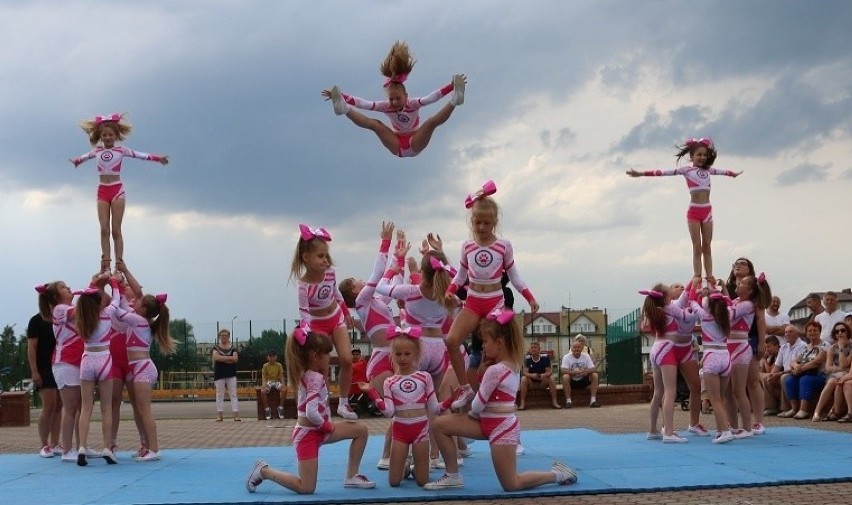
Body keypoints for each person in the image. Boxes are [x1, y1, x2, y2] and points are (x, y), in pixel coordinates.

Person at [424, 308, 577, 491]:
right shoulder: (510, 365)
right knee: (439, 425)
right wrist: (478, 379)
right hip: (487, 422)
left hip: (500, 427)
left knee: (511, 484)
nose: (483, 346)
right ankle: (452, 476)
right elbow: (488, 398)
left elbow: (478, 405)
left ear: (499, 342)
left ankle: (558, 474)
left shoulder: (495, 370)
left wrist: (462, 404)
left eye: (486, 341)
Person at [443, 180, 539, 410]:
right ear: (472, 221)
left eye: (487, 223)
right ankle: (466, 390)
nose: (482, 227)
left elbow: (514, 276)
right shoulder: (467, 246)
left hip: (495, 301)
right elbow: (460, 277)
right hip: (474, 301)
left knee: (497, 350)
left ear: (495, 222)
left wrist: (530, 297)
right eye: (478, 222)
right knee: (451, 340)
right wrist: (449, 291)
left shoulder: (503, 246)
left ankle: (504, 398)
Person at [245, 330, 375, 494]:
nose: (329, 358)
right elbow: (311, 412)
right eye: (327, 354)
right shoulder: (314, 378)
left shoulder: (307, 374)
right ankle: (264, 471)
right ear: (316, 356)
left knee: (361, 430)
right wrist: (326, 426)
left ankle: (351, 476)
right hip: (309, 435)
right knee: (306, 487)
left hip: (319, 431)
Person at [626, 137, 741, 287]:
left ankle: (710, 275)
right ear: (691, 156)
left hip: (707, 211)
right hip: (693, 211)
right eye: (699, 154)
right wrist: (641, 173)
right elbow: (663, 172)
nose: (702, 157)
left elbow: (723, 171)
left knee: (707, 245)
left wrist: (733, 174)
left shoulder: (708, 170)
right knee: (697, 246)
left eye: (704, 155)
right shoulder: (686, 170)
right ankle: (697, 274)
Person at [323, 41, 466, 158]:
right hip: (396, 144)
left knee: (431, 122)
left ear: (406, 97)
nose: (394, 102)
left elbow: (431, 98)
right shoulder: (386, 106)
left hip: (415, 141)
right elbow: (363, 103)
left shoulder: (413, 104)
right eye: (391, 99)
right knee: (375, 124)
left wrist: (451, 87)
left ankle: (455, 100)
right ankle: (344, 109)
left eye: (398, 98)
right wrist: (341, 97)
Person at [69, 113, 169, 272]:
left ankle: (119, 265)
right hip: (102, 190)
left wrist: (158, 158)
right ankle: (106, 264)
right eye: (104, 135)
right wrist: (76, 161)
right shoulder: (97, 151)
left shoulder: (121, 150)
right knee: (103, 229)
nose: (107, 137)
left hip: (117, 190)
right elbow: (84, 157)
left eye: (110, 135)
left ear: (116, 136)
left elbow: (141, 155)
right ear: (101, 136)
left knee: (116, 230)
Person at [339, 222, 399, 468]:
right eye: (357, 280)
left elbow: (386, 285)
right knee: (399, 411)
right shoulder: (363, 302)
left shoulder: (375, 301)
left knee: (405, 410)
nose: (362, 280)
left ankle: (389, 456)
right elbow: (376, 277)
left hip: (394, 355)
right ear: (355, 291)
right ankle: (386, 456)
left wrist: (399, 262)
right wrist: (385, 242)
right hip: (382, 360)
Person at [360, 326, 452, 487]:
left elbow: (435, 409)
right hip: (400, 432)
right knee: (394, 482)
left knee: (422, 481)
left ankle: (416, 468)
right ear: (392, 355)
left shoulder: (424, 377)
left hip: (420, 432)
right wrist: (372, 393)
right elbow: (389, 412)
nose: (402, 358)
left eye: (407, 354)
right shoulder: (391, 381)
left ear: (416, 354)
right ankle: (405, 468)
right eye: (398, 354)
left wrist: (452, 400)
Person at [290, 224, 358, 420]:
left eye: (326, 256)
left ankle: (344, 403)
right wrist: (308, 336)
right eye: (320, 256)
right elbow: (304, 313)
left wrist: (345, 313)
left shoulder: (330, 273)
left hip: (335, 319)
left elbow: (336, 293)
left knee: (346, 359)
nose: (325, 260)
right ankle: (323, 406)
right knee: (322, 369)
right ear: (306, 258)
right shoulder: (303, 286)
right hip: (317, 325)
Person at [109, 275, 174, 461]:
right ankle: (149, 447)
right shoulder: (140, 319)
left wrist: (115, 286)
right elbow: (125, 304)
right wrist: (121, 287)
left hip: (143, 368)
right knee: (142, 409)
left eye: (138, 302)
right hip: (140, 367)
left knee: (144, 411)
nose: (134, 301)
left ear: (143, 308)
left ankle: (154, 449)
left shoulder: (138, 321)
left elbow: (116, 313)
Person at [639, 285, 699, 443]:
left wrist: (690, 285)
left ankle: (653, 430)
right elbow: (688, 317)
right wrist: (696, 306)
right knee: (670, 391)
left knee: (658, 392)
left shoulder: (656, 310)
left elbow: (681, 299)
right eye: (669, 289)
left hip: (656, 349)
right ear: (665, 296)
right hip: (667, 349)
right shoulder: (669, 308)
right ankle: (669, 432)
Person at [36, 280, 84, 462]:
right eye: (64, 287)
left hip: (78, 362)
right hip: (65, 363)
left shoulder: (69, 308)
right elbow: (83, 310)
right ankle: (67, 450)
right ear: (56, 297)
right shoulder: (60, 309)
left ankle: (81, 446)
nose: (70, 288)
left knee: (81, 407)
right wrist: (91, 289)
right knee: (70, 408)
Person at [74, 275, 118, 465]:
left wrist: (93, 283)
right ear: (99, 301)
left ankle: (82, 446)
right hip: (104, 360)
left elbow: (85, 298)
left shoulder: (81, 317)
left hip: (87, 359)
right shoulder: (107, 314)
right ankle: (107, 447)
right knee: (106, 407)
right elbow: (116, 298)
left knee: (86, 407)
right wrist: (113, 282)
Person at [724, 258, 770, 435]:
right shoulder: (730, 289)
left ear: (749, 269)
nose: (738, 265)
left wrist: (761, 341)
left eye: (743, 263)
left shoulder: (754, 293)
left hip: (748, 339)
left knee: (751, 381)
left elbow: (760, 318)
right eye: (735, 263)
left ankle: (758, 421)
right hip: (729, 341)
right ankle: (732, 421)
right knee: (731, 386)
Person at [688, 288, 734, 444]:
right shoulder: (727, 315)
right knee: (720, 398)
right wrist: (714, 291)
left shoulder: (704, 317)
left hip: (711, 356)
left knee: (714, 399)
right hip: (726, 356)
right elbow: (728, 301)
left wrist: (700, 291)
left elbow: (691, 301)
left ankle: (726, 432)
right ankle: (721, 429)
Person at [26, 309, 63, 458]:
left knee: (59, 406)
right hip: (43, 368)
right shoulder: (36, 320)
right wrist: (35, 371)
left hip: (59, 365)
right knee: (49, 406)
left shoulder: (60, 318)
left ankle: (55, 443)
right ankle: (44, 444)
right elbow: (31, 348)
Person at [782, 321, 828, 419]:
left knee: (805, 380)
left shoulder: (825, 345)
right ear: (806, 333)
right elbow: (794, 361)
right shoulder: (806, 347)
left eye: (815, 330)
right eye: (810, 331)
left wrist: (800, 369)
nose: (812, 332)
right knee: (790, 380)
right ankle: (794, 409)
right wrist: (795, 366)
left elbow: (817, 362)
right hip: (806, 373)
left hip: (821, 375)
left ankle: (804, 410)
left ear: (820, 332)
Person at [811, 322, 850, 421]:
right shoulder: (832, 348)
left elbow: (844, 363)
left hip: (848, 375)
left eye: (842, 330)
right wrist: (841, 369)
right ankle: (817, 411)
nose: (840, 333)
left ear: (847, 332)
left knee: (835, 382)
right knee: (833, 380)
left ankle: (834, 412)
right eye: (837, 331)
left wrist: (841, 348)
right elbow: (828, 368)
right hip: (835, 375)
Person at [773, 325, 807, 417]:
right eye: (786, 332)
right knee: (765, 377)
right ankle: (770, 407)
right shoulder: (783, 347)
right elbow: (777, 365)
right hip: (784, 372)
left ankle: (787, 408)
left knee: (784, 378)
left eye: (790, 332)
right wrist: (772, 374)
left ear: (797, 334)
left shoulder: (803, 346)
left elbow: (797, 366)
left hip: (796, 373)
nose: (787, 334)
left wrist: (779, 373)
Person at [518, 342, 561, 410]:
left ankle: (554, 402)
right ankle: (522, 403)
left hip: (543, 383)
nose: (533, 349)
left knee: (551, 378)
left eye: (535, 347)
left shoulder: (545, 357)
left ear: (539, 349)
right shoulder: (527, 358)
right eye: (532, 348)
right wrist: (532, 375)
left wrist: (544, 375)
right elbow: (524, 372)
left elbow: (549, 371)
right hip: (531, 383)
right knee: (523, 378)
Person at [560, 340, 600, 408]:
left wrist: (586, 371)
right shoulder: (566, 357)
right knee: (565, 376)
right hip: (571, 382)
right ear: (571, 348)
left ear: (581, 348)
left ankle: (593, 401)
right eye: (575, 347)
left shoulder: (586, 356)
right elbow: (563, 370)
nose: (576, 349)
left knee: (595, 375)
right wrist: (576, 372)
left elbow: (593, 368)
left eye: (578, 347)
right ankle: (568, 401)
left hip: (584, 380)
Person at [212, 329, 240, 422]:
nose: (224, 337)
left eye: (225, 335)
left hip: (231, 374)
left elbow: (235, 359)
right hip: (219, 374)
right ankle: (220, 416)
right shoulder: (215, 348)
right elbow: (216, 357)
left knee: (233, 394)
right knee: (219, 394)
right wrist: (229, 359)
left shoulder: (233, 348)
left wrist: (222, 358)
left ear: (228, 336)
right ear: (219, 337)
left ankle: (236, 415)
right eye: (222, 335)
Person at [759, 335, 782, 415]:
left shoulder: (780, 353)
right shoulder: (771, 356)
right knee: (758, 376)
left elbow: (770, 372)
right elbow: (763, 370)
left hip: (780, 375)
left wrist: (764, 359)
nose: (767, 349)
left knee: (766, 377)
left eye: (768, 347)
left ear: (776, 346)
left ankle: (770, 407)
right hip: (774, 376)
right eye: (765, 347)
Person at [260, 351, 286, 420]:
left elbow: (281, 376)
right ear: (267, 357)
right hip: (269, 382)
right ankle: (267, 409)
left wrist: (283, 384)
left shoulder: (279, 365)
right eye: (270, 356)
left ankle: (280, 408)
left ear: (276, 357)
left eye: (273, 356)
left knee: (284, 390)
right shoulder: (265, 366)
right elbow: (264, 376)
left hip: (277, 381)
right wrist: (264, 384)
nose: (272, 358)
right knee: (263, 392)